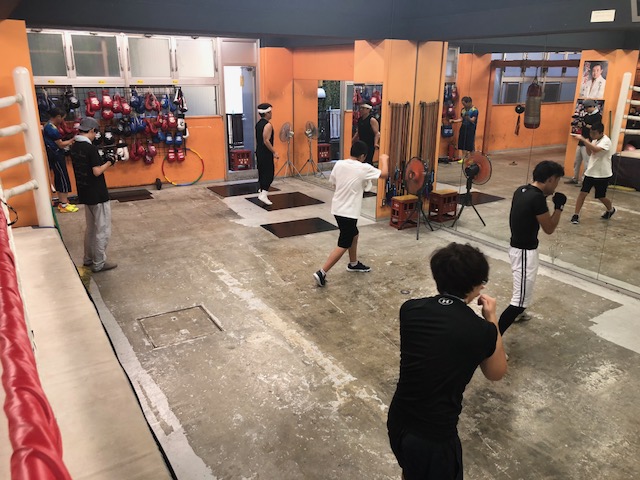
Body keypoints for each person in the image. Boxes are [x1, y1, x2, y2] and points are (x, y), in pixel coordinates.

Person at [387, 242, 506, 480]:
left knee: (411, 470)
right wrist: (492, 318)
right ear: (476, 286)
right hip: (434, 437)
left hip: (398, 422)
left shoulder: (409, 310)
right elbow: (496, 372)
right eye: (482, 281)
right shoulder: (481, 331)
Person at [498, 161, 566, 335]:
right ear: (550, 179)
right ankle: (492, 341)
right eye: (557, 181)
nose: (556, 186)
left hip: (518, 249)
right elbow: (549, 228)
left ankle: (519, 315)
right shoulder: (537, 199)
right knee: (518, 302)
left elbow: (529, 210)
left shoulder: (522, 190)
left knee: (522, 292)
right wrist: (559, 208)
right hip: (524, 254)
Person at [313, 141, 388, 287]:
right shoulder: (364, 167)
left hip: (337, 209)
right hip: (348, 212)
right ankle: (322, 272)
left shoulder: (339, 164)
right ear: (363, 156)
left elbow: (334, 183)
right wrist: (384, 159)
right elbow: (384, 174)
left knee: (354, 234)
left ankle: (353, 264)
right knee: (344, 243)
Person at [69, 117, 118, 273]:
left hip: (85, 192)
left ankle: (88, 259)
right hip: (98, 194)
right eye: (94, 133)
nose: (94, 136)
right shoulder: (90, 149)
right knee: (102, 229)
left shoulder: (75, 146)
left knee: (91, 228)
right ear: (91, 131)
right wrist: (110, 162)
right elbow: (96, 171)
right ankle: (99, 263)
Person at [570, 122, 616, 224]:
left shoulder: (606, 141)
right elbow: (590, 153)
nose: (592, 135)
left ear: (601, 133)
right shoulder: (595, 140)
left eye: (594, 133)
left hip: (602, 174)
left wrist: (583, 140)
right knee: (582, 193)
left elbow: (596, 149)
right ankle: (576, 214)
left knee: (601, 196)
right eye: (591, 133)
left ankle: (611, 209)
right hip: (590, 172)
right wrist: (587, 143)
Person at [43, 107, 78, 213]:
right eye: (62, 118)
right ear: (58, 117)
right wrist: (72, 140)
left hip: (55, 155)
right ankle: (64, 204)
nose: (63, 120)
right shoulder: (51, 129)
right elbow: (61, 144)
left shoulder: (49, 126)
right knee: (63, 178)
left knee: (59, 177)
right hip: (56, 155)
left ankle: (63, 202)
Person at [566, 99, 602, 185]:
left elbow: (595, 128)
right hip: (582, 140)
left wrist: (585, 125)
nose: (586, 110)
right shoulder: (586, 116)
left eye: (586, 108)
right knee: (577, 161)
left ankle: (583, 181)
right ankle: (575, 178)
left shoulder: (598, 116)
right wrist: (580, 125)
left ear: (591, 106)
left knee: (586, 162)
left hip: (589, 141)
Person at [255, 103, 279, 205]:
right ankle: (264, 194)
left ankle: (261, 191)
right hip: (265, 153)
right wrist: (274, 152)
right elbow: (266, 140)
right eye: (270, 112)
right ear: (267, 113)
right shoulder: (268, 125)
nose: (271, 114)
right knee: (269, 173)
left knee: (262, 172)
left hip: (259, 151)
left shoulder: (258, 124)